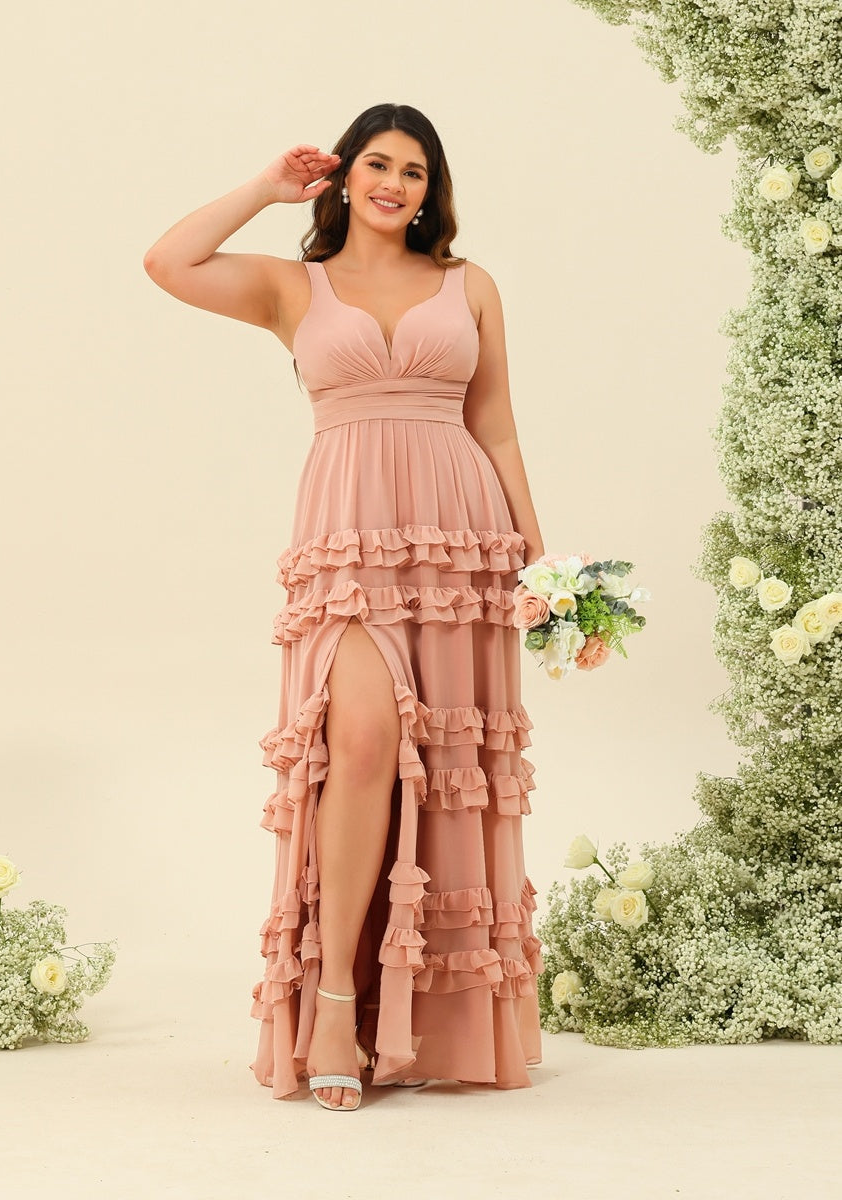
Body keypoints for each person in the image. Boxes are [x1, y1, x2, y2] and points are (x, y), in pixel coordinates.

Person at [143, 102, 546, 1111]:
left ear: (431, 191)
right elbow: (167, 262)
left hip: (458, 538)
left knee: (442, 772)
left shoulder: (470, 285)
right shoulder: (296, 287)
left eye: (414, 171)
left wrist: (536, 557)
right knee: (360, 743)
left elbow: (495, 425)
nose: (394, 184)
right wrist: (266, 188)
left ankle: (422, 1019)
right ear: (344, 176)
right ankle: (333, 1004)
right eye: (377, 163)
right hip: (349, 540)